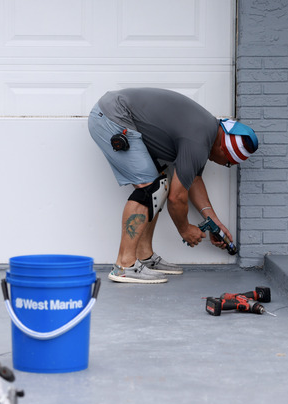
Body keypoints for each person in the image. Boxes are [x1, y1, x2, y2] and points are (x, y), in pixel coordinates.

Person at [88, 87, 259, 284]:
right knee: (150, 189)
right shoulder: (199, 140)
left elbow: (192, 179)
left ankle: (144, 257)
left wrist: (214, 222)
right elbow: (176, 198)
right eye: (228, 162)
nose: (223, 165)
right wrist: (185, 229)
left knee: (158, 186)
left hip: (117, 112)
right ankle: (124, 265)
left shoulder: (206, 132)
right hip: (113, 115)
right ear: (223, 149)